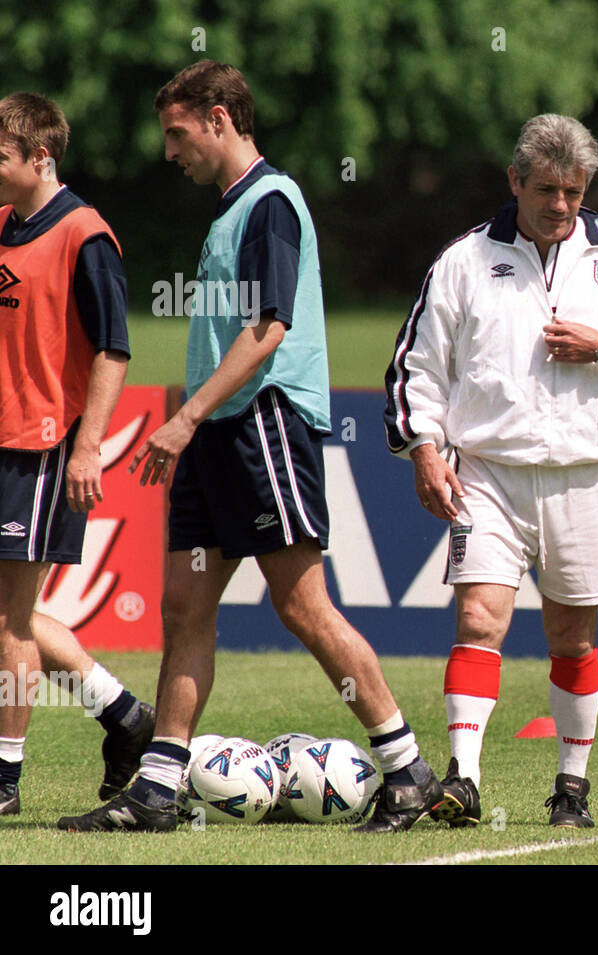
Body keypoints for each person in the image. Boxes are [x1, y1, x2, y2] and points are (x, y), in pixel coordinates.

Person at [58, 61, 442, 833]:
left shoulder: (271, 203)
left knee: (301, 604)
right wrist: (196, 424)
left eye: (178, 132)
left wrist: (185, 416)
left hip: (260, 422)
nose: (170, 151)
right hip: (215, 432)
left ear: (222, 118)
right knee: (184, 603)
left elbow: (268, 332)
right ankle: (158, 787)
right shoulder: (230, 212)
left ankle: (407, 770)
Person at [385, 113, 598, 828]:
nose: (561, 205)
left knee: (572, 639)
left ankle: (571, 788)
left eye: (574, 191)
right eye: (547, 189)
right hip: (485, 472)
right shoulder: (462, 261)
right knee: (477, 617)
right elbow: (414, 367)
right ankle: (464, 778)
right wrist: (424, 449)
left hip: (586, 474)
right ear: (515, 181)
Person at [0, 92, 155, 816]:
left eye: (1, 156)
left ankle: (3, 779)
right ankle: (123, 714)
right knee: (9, 615)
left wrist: (86, 446)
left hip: (37, 446)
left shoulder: (84, 234)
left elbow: (114, 351)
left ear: (41, 156)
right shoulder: (3, 222)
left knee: (11, 620)